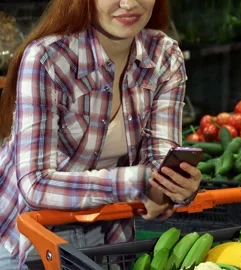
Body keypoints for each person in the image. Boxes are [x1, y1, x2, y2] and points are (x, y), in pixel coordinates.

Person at [0, 0, 202, 269]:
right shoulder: (48, 58)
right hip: (23, 232)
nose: (129, 4)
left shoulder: (164, 55)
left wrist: (175, 188)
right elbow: (35, 184)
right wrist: (139, 183)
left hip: (107, 229)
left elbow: (160, 156)